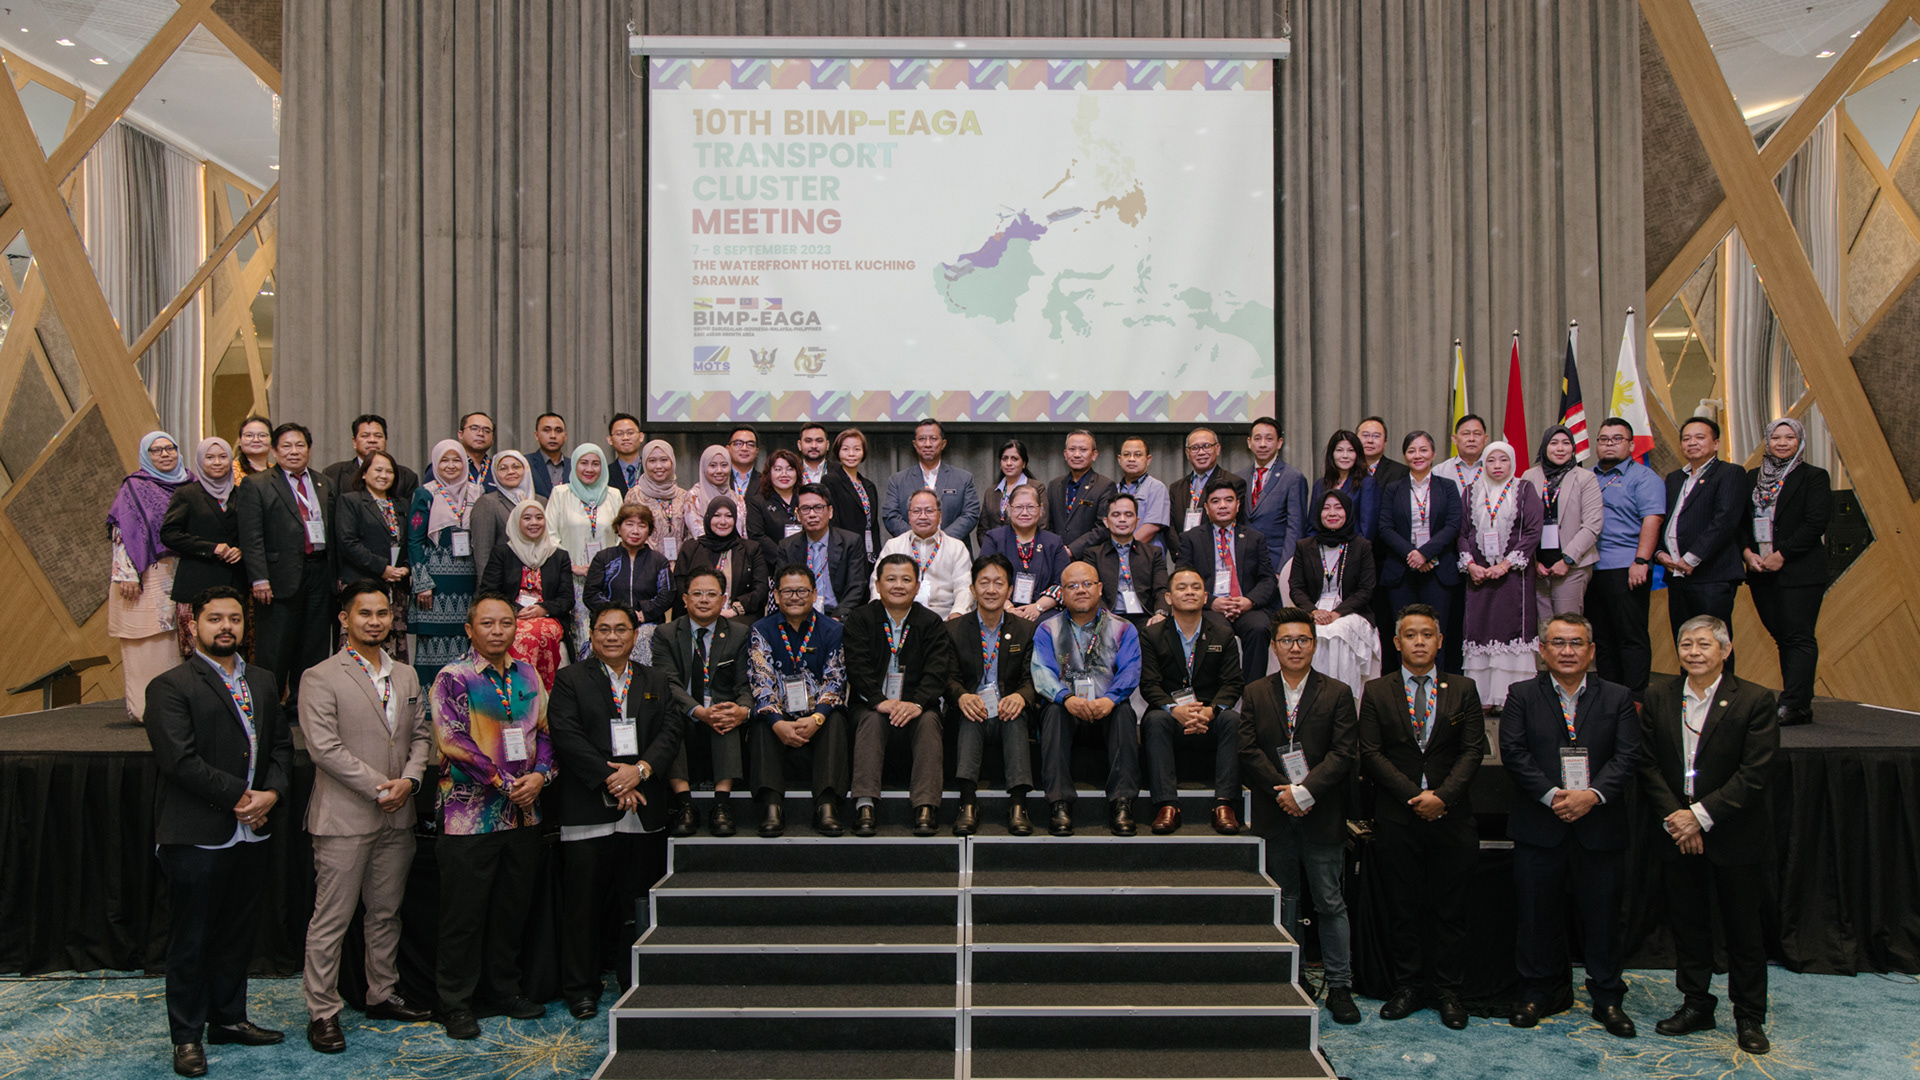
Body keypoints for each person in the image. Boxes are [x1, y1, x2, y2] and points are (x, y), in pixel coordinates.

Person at [144, 586, 292, 1077]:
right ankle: (186, 1037)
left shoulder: (263, 681)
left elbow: (280, 746)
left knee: (236, 932)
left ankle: (228, 1019)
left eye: (234, 618)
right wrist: (242, 798)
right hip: (196, 832)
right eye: (215, 619)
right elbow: (179, 761)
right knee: (190, 939)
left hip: (252, 830)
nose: (226, 627)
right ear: (193, 626)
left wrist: (272, 793)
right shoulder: (169, 686)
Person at [298, 581, 433, 1054]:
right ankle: (322, 1011)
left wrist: (410, 781)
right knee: (331, 920)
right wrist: (382, 787)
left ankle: (382, 992)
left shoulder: (407, 676)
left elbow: (421, 737)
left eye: (382, 614)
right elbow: (324, 749)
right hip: (345, 818)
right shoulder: (319, 676)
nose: (375, 622)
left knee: (386, 913)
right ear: (345, 619)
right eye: (365, 614)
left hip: (399, 815)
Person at [1641, 615, 1778, 1054]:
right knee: (1689, 924)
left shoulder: (1755, 699)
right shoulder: (1659, 695)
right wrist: (1677, 817)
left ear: (1725, 650)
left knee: (1743, 930)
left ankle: (1749, 1016)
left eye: (1704, 644)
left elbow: (1754, 773)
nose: (1694, 652)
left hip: (1732, 832)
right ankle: (1696, 1004)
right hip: (1676, 830)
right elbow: (1646, 763)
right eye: (1686, 644)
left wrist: (1698, 817)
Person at [1500, 612, 1641, 1036]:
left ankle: (1608, 997)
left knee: (1603, 919)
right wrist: (1553, 796)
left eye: (1576, 643)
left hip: (1599, 826)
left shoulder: (1618, 696)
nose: (1567, 651)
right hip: (1540, 826)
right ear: (1543, 651)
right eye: (1558, 643)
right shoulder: (1521, 695)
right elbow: (1514, 752)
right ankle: (1536, 992)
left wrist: (1591, 796)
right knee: (1536, 915)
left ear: (1591, 651)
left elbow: (1628, 756)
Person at [547, 602, 683, 1021]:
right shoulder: (570, 679)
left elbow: (670, 731)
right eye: (603, 629)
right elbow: (565, 734)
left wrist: (639, 771)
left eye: (620, 629)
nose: (612, 636)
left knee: (634, 907)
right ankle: (581, 989)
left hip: (642, 811)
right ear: (591, 635)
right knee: (583, 906)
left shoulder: (655, 679)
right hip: (588, 809)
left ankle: (632, 981)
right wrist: (614, 779)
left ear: (634, 635)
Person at [430, 594, 553, 1039]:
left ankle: (504, 990)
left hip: (523, 815)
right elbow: (453, 742)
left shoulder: (528, 674)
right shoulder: (453, 677)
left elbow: (545, 733)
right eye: (487, 623)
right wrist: (505, 782)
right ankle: (455, 1003)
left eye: (505, 622)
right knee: (463, 916)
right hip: (469, 818)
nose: (498, 630)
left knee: (510, 911)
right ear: (470, 629)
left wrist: (540, 775)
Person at [1358, 604, 1486, 1028]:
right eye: (1410, 635)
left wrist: (1442, 797)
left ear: (1440, 640)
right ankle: (1408, 986)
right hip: (1398, 816)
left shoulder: (1463, 688)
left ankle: (1449, 991)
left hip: (1452, 816)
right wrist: (1415, 796)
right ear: (1396, 643)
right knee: (1403, 907)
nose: (1419, 642)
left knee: (1451, 910)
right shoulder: (1377, 690)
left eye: (1427, 634)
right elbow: (1371, 753)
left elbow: (1472, 751)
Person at [1239, 609, 1361, 1027]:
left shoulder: (1338, 692)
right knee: (1286, 898)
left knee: (1330, 901)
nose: (1295, 647)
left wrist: (1304, 792)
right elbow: (1248, 749)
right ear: (1274, 646)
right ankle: (1292, 978)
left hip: (1321, 811)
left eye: (1303, 640)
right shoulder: (1255, 691)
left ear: (1314, 644)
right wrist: (1284, 791)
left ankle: (1340, 985)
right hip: (1275, 811)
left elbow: (1344, 753)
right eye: (1287, 641)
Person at [845, 554, 957, 836]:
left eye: (906, 579)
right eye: (891, 579)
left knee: (930, 722)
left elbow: (937, 671)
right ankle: (864, 804)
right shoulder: (860, 619)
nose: (898, 585)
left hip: (917, 705)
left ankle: (926, 806)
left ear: (917, 586)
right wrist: (879, 701)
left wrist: (916, 703)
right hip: (871, 704)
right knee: (871, 720)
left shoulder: (931, 622)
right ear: (878, 585)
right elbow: (858, 668)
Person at [1033, 561, 1144, 837]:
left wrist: (1111, 699)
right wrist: (1066, 698)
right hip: (1067, 711)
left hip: (1107, 710)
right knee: (1053, 712)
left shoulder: (1123, 628)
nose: (1080, 590)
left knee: (1124, 712)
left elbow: (1131, 670)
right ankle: (1059, 803)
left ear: (1100, 588)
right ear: (1062, 592)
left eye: (1087, 584)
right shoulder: (1047, 629)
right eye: (1072, 586)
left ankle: (1122, 802)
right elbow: (1041, 672)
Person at [1139, 566, 1246, 834]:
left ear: (1205, 596)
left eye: (1196, 587)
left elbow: (1232, 683)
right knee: (1154, 719)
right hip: (1171, 717)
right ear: (1168, 597)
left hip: (1210, 717)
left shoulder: (1223, 635)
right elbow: (1149, 684)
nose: (1190, 592)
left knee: (1233, 720)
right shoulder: (1151, 635)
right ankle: (1167, 805)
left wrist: (1210, 711)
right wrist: (1175, 709)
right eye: (1182, 587)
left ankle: (1225, 804)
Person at [746, 566, 851, 837]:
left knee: (836, 720)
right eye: (788, 591)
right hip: (779, 713)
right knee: (760, 722)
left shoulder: (832, 629)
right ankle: (771, 806)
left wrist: (817, 717)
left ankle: (826, 805)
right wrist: (777, 721)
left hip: (817, 714)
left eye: (802, 591)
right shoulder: (761, 629)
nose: (795, 597)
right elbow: (761, 680)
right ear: (776, 595)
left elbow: (835, 679)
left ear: (814, 594)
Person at [237, 423, 335, 707]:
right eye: (287, 446)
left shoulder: (324, 483)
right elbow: (251, 537)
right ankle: (267, 709)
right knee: (275, 648)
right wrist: (259, 578)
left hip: (319, 573)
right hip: (278, 578)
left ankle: (304, 707)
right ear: (274, 450)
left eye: (300, 445)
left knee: (314, 646)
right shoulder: (257, 484)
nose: (294, 451)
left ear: (309, 449)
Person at [1743, 417, 1831, 727]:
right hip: (1760, 570)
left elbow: (1815, 523)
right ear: (1767, 442)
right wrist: (1747, 553)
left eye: (1790, 437)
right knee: (1782, 637)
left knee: (1799, 636)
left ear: (1800, 442)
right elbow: (1741, 522)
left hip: (1800, 570)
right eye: (1776, 437)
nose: (1782, 443)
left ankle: (1795, 703)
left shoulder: (1813, 477)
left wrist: (1782, 555)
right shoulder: (1752, 477)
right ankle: (1795, 701)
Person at [946, 554, 1039, 836]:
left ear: (1010, 590)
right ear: (972, 589)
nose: (991, 590)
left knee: (1015, 715)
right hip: (970, 712)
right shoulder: (954, 629)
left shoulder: (1026, 629)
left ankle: (1018, 805)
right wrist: (962, 696)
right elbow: (947, 677)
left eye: (999, 583)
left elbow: (1033, 678)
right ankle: (967, 804)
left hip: (1009, 710)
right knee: (970, 713)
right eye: (983, 582)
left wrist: (1021, 696)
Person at [655, 570, 753, 836]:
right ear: (685, 599)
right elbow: (668, 682)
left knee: (726, 713)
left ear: (723, 600)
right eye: (697, 593)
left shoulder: (739, 633)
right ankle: (685, 804)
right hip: (684, 712)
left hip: (719, 713)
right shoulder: (666, 633)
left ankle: (721, 805)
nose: (704, 600)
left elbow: (745, 684)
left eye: (711, 594)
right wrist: (699, 711)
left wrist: (742, 710)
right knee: (668, 717)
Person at [1658, 417, 1748, 672]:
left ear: (1716, 443)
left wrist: (1692, 558)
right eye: (1686, 438)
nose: (1692, 443)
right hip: (1677, 576)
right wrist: (1660, 553)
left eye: (1699, 437)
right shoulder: (1674, 478)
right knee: (1685, 641)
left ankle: (1722, 694)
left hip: (1712, 575)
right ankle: (1689, 692)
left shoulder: (1730, 473)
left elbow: (1725, 520)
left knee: (1713, 643)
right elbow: (1665, 520)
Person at [1587, 418, 1667, 699]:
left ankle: (1634, 699)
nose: (1609, 444)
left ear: (1632, 445)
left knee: (1630, 637)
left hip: (1626, 567)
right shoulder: (1587, 476)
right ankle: (1609, 698)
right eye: (1603, 439)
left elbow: (1652, 520)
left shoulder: (1644, 478)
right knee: (1602, 638)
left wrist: (1641, 561)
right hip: (1590, 569)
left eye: (1617, 439)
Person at [1459, 441, 1543, 709]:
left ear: (1512, 463)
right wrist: (1471, 565)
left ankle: (1512, 698)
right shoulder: (1470, 492)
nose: (1497, 466)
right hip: (1479, 576)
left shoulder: (1524, 489)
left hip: (1514, 577)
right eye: (1491, 460)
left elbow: (1533, 532)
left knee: (1511, 627)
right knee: (1480, 627)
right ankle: (1482, 697)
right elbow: (1462, 533)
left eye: (1503, 460)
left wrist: (1505, 565)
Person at [112, 432, 188, 722]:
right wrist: (127, 574)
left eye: (169, 448)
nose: (165, 454)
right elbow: (123, 532)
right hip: (146, 574)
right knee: (147, 642)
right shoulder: (135, 487)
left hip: (184, 571)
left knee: (179, 640)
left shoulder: (192, 483)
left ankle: (179, 709)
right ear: (146, 456)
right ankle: (147, 710)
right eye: (156, 450)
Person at [1177, 477, 1276, 680]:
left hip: (1247, 606)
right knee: (1218, 630)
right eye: (1216, 501)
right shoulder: (1191, 539)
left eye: (1228, 500)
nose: (1223, 505)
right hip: (1210, 607)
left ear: (1238, 505)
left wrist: (1249, 601)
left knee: (1259, 628)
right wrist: (1211, 601)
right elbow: (1182, 580)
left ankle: (1252, 691)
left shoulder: (1255, 538)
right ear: (1206, 508)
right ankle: (1221, 691)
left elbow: (1268, 580)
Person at [1378, 431, 1461, 667]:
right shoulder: (1393, 489)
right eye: (1411, 450)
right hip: (1401, 571)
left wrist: (1425, 553)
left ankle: (1437, 685)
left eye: (1423, 450)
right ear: (1404, 455)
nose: (1418, 455)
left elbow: (1453, 525)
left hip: (1438, 571)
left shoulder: (1448, 487)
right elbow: (1385, 527)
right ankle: (1404, 687)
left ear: (1433, 454)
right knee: (1403, 634)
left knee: (1435, 633)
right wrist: (1412, 554)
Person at [1286, 490, 1380, 699]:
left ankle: (1342, 697)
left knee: (1337, 630)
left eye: (1338, 508)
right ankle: (1310, 697)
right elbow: (1296, 587)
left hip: (1350, 613)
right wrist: (1313, 611)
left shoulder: (1362, 546)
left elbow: (1366, 589)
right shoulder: (1304, 546)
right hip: (1313, 612)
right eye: (1326, 508)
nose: (1332, 513)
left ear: (1348, 512)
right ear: (1318, 512)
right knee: (1315, 630)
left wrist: (1337, 613)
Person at [407, 440, 480, 687]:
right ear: (436, 464)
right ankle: (431, 703)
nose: (451, 465)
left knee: (467, 642)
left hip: (468, 583)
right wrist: (422, 583)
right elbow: (414, 540)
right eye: (444, 460)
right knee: (432, 649)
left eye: (456, 460)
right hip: (435, 588)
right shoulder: (425, 493)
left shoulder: (477, 492)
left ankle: (463, 701)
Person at [478, 500, 574, 688]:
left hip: (548, 617)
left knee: (541, 632)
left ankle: (543, 693)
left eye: (539, 518)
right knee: (517, 632)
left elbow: (566, 599)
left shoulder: (558, 556)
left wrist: (543, 608)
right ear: (516, 522)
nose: (534, 523)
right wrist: (513, 610)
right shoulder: (502, 553)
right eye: (527, 518)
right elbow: (488, 592)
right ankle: (516, 690)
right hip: (510, 615)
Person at [163, 438, 245, 650]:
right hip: (196, 582)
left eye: (222, 457)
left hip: (234, 582)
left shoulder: (242, 493)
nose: (217, 462)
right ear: (200, 461)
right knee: (196, 650)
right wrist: (211, 548)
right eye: (210, 457)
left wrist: (241, 550)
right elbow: (169, 534)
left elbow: (252, 532)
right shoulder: (187, 493)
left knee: (231, 649)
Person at [334, 451, 412, 661]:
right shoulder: (350, 501)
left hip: (396, 586)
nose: (384, 475)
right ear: (363, 473)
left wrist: (406, 567)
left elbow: (410, 541)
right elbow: (348, 543)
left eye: (389, 471)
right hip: (362, 582)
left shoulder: (402, 504)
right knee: (361, 638)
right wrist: (382, 568)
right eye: (378, 470)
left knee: (393, 642)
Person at [1523, 425, 1604, 624]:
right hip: (1538, 567)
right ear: (1544, 447)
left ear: (1573, 448)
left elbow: (1592, 525)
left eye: (1566, 443)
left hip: (1572, 566)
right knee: (1543, 629)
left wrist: (1567, 560)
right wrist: (1533, 561)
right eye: (1554, 443)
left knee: (1567, 626)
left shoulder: (1585, 478)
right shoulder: (1528, 477)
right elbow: (1522, 523)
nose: (1560, 448)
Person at [545, 443, 621, 647]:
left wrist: (609, 567)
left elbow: (621, 534)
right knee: (580, 634)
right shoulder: (561, 493)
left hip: (608, 577)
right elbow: (550, 534)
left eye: (595, 463)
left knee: (607, 629)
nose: (589, 469)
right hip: (571, 577)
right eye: (583, 463)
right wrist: (573, 566)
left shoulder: (613, 495)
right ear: (574, 465)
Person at [585, 504, 676, 663]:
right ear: (618, 528)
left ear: (649, 530)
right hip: (610, 623)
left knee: (641, 640)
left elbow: (667, 595)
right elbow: (591, 594)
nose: (635, 531)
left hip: (647, 623)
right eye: (629, 524)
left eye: (642, 525)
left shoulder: (658, 561)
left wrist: (644, 613)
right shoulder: (603, 558)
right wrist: (618, 614)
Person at [872, 489, 976, 620]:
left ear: (940, 516)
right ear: (909, 516)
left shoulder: (956, 547)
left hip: (944, 618)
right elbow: (878, 584)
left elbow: (965, 587)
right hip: (900, 617)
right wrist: (878, 613)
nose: (922, 517)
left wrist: (958, 612)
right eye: (916, 511)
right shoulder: (893, 546)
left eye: (929, 511)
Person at [776, 483, 870, 620]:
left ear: (830, 512)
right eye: (805, 509)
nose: (812, 514)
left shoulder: (850, 542)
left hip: (838, 615)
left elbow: (856, 586)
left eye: (818, 508)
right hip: (800, 616)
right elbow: (783, 587)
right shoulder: (787, 546)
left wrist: (837, 618)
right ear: (798, 515)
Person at [979, 483, 1071, 621]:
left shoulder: (1053, 542)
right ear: (1009, 509)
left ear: (1041, 510)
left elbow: (1064, 583)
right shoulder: (994, 538)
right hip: (1001, 609)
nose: (1024, 513)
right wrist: (1009, 609)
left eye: (1031, 507)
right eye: (1018, 507)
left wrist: (1038, 607)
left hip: (1045, 612)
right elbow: (983, 578)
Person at [882, 417, 980, 541]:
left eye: (933, 438)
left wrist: (942, 540)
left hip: (952, 548)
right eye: (922, 439)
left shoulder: (963, 478)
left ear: (943, 444)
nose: (927, 444)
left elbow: (970, 514)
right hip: (910, 548)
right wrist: (918, 539)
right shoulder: (897, 480)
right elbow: (891, 515)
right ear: (915, 444)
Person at [674, 496, 768, 622]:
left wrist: (734, 611)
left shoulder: (751, 549)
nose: (723, 522)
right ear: (708, 518)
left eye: (729, 516)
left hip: (737, 617)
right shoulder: (691, 548)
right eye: (717, 515)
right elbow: (680, 588)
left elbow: (761, 589)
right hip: (696, 615)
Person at [1082, 493, 1169, 627]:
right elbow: (1092, 592)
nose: (1122, 519)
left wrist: (1160, 613)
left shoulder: (1153, 553)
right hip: (1108, 618)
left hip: (1145, 618)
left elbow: (1161, 589)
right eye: (1116, 515)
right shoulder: (1093, 555)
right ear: (1106, 521)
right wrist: (1105, 616)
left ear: (1137, 521)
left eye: (1128, 515)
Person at [1241, 417, 1311, 570]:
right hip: (1244, 562)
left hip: (1276, 562)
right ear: (1249, 442)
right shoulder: (1239, 477)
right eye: (1257, 439)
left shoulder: (1293, 477)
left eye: (1269, 439)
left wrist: (1284, 569)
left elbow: (1295, 528)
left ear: (1279, 443)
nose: (1263, 444)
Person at [322, 414, 418, 515]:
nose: (372, 440)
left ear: (386, 440)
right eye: (365, 436)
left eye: (378, 436)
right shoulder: (333, 474)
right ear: (354, 442)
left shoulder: (406, 476)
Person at [624, 439, 701, 561]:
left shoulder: (684, 495)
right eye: (652, 461)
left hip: (679, 565)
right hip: (645, 563)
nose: (658, 466)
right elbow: (628, 534)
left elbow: (690, 535)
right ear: (644, 463)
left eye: (664, 460)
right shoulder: (635, 495)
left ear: (672, 461)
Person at [1044, 430, 1116, 551]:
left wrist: (1072, 550)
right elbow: (1048, 523)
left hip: (1090, 556)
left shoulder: (1105, 486)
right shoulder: (1054, 485)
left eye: (1083, 450)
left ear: (1094, 455)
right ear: (1065, 454)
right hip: (1056, 555)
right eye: (1072, 449)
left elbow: (1103, 527)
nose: (1077, 455)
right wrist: (1058, 549)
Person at [470, 449, 537, 577]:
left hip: (538, 579)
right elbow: (482, 552)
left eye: (516, 467)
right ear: (495, 473)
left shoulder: (540, 502)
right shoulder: (487, 503)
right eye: (503, 468)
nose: (510, 472)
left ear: (526, 468)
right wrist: (488, 585)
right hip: (503, 579)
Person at [1169, 426, 1247, 535]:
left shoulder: (1234, 483)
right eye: (1195, 448)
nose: (1201, 452)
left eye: (1207, 446)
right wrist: (1181, 546)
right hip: (1182, 545)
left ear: (1217, 449)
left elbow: (1234, 524)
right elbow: (1170, 527)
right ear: (1187, 453)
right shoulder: (1176, 488)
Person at [1309, 429, 1381, 543]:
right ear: (1331, 454)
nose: (1345, 456)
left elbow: (1367, 530)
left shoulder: (1367, 483)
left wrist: (1351, 551)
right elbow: (1312, 527)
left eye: (1351, 450)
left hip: (1353, 549)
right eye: (1339, 450)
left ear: (1357, 454)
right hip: (1322, 548)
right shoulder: (1320, 484)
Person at [824, 427, 884, 560]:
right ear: (838, 451)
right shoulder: (830, 481)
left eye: (857, 449)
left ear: (863, 452)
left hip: (869, 551)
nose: (851, 454)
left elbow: (874, 525)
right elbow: (832, 522)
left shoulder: (869, 486)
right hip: (845, 552)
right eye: (845, 449)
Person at [745, 448, 804, 567]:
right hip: (772, 566)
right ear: (769, 473)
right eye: (778, 469)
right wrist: (784, 558)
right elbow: (757, 536)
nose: (784, 474)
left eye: (790, 469)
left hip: (805, 562)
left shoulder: (805, 500)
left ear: (797, 473)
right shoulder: (758, 502)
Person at [1113, 435, 1172, 550]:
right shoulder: (1113, 490)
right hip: (1117, 554)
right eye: (1126, 455)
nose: (1131, 459)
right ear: (1119, 459)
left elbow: (1151, 528)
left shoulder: (1156, 488)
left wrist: (1124, 549)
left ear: (1148, 459)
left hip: (1147, 554)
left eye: (1138, 455)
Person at [980, 438, 1042, 540]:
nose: (1008, 463)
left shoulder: (1036, 488)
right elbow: (982, 529)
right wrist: (991, 546)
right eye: (1004, 459)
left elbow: (1042, 524)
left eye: (1014, 459)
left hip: (1026, 547)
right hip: (994, 548)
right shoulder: (990, 492)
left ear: (1024, 463)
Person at [1357, 416, 1410, 490]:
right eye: (1365, 435)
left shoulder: (1400, 472)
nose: (1370, 441)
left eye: (1376, 436)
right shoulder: (1347, 469)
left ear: (1385, 442)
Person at [527, 412, 571, 499]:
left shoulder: (574, 466)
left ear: (565, 436)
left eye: (558, 431)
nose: (553, 436)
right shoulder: (526, 463)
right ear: (536, 435)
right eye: (547, 430)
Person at [603, 413, 646, 496]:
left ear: (641, 437)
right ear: (610, 440)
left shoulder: (652, 469)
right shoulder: (605, 474)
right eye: (619, 434)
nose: (625, 438)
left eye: (630, 433)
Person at [453, 412, 497, 490]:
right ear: (460, 434)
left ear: (492, 439)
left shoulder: (498, 469)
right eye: (474, 428)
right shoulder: (446, 466)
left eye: (487, 431)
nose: (480, 433)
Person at [689, 443, 734, 519]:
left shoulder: (736, 498)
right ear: (704, 468)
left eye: (724, 465)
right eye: (713, 465)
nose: (719, 471)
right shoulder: (694, 497)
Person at [726, 425, 762, 505]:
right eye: (738, 444)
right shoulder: (719, 479)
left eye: (750, 444)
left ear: (756, 451)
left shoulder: (766, 482)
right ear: (728, 449)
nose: (744, 449)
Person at [233, 415, 274, 481]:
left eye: (262, 435)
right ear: (240, 441)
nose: (256, 440)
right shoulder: (230, 470)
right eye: (249, 435)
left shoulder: (278, 471)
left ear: (271, 440)